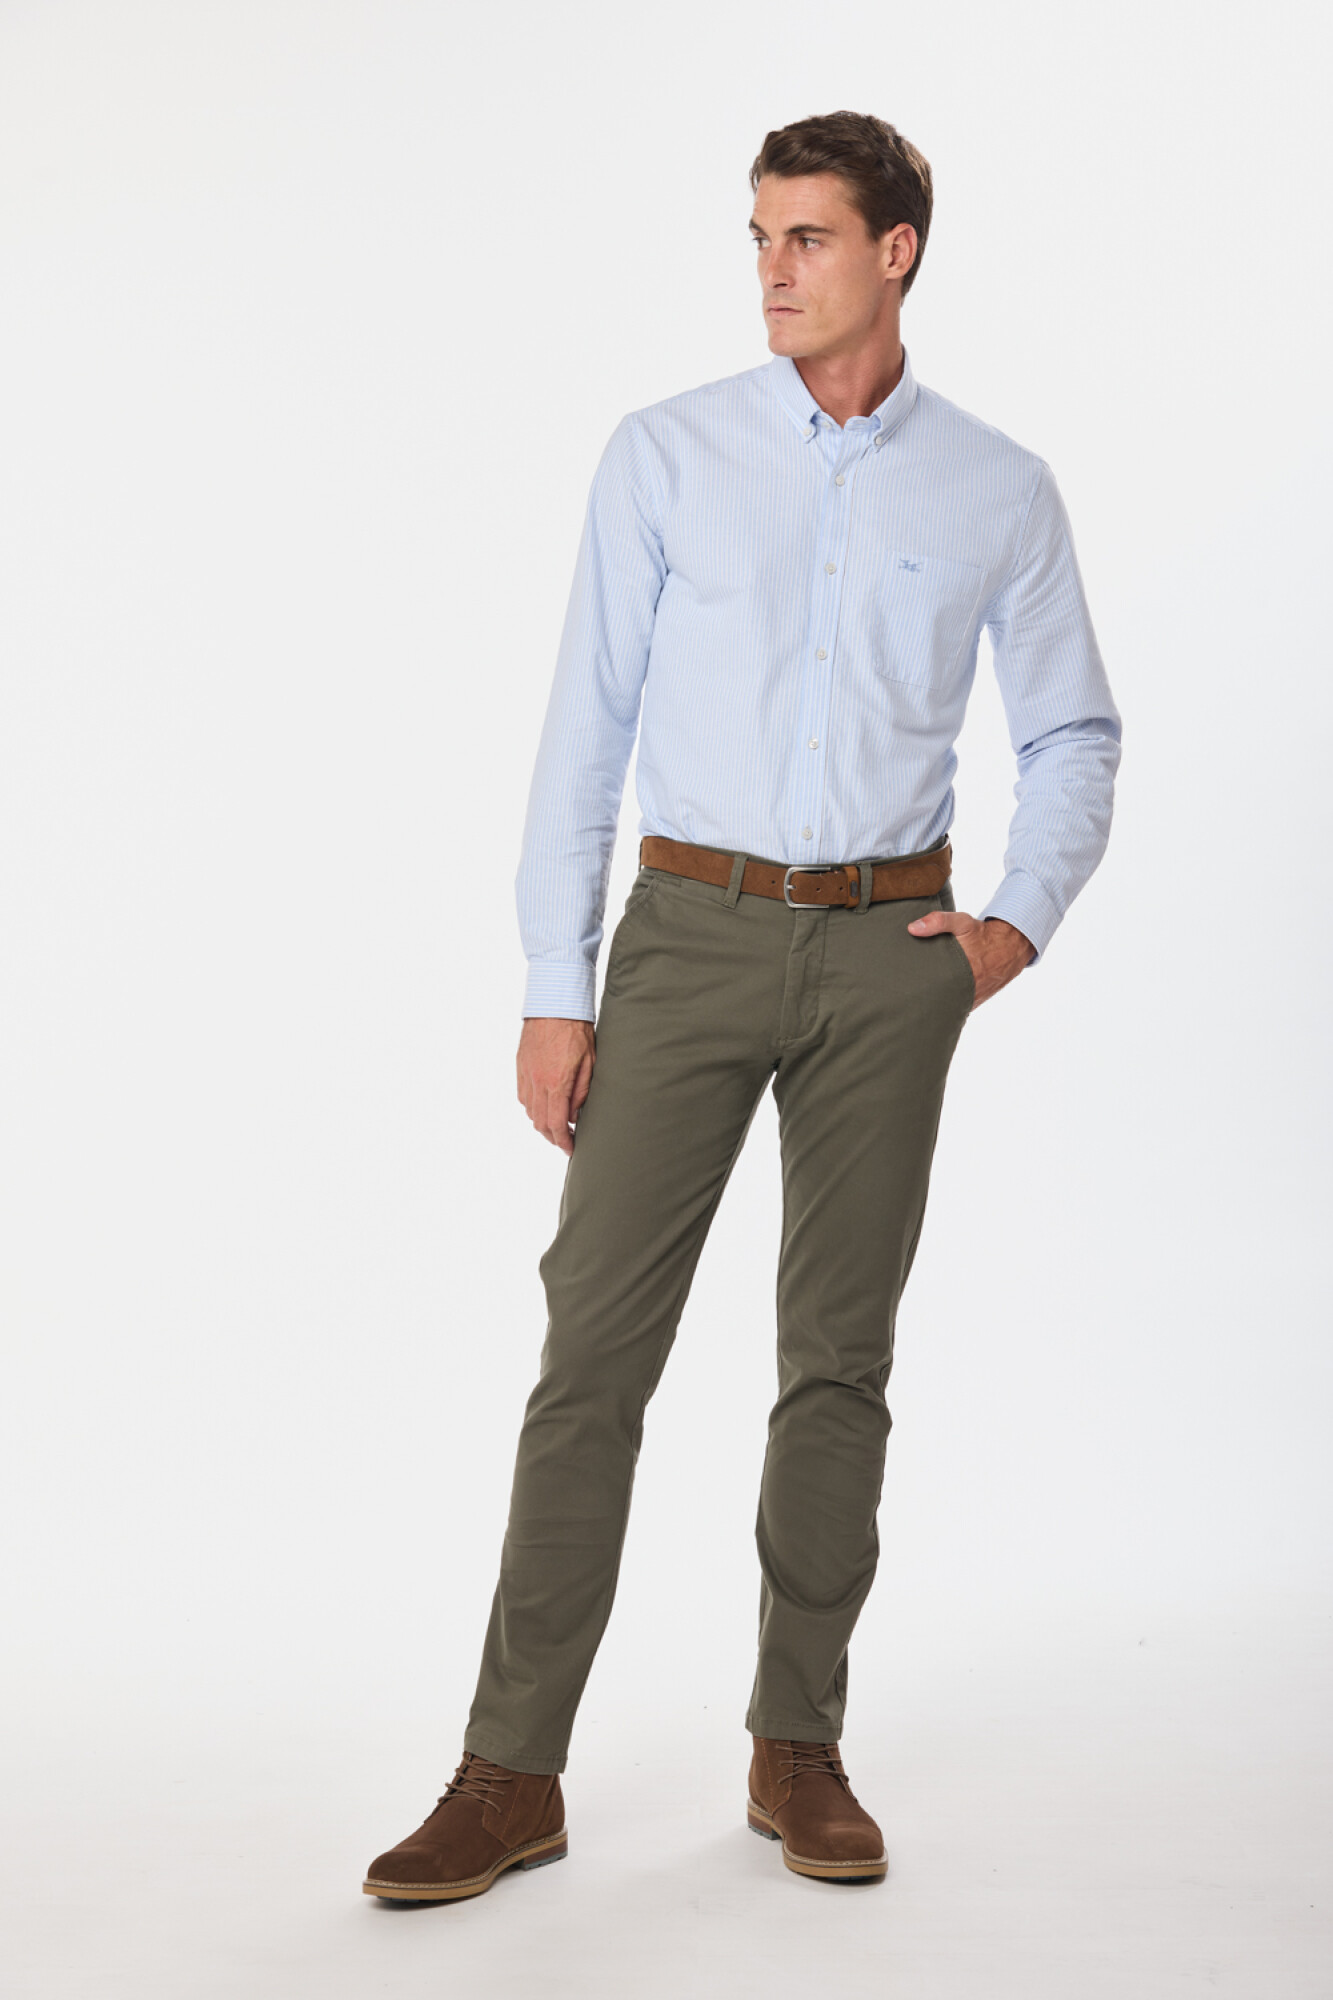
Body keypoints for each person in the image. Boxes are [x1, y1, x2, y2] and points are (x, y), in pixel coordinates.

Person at [363, 108, 1121, 1902]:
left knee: (836, 1362)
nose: (772, 270)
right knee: (591, 1361)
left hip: (887, 953)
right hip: (686, 937)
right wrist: (554, 986)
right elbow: (584, 725)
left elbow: (1074, 731)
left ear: (894, 250)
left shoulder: (997, 486)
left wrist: (1005, 931)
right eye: (759, 236)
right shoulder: (666, 454)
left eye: (807, 237)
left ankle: (798, 1747)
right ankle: (508, 1773)